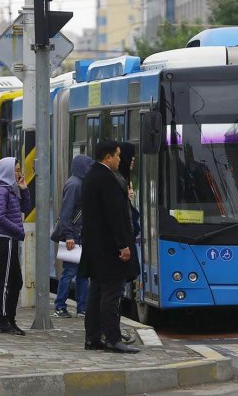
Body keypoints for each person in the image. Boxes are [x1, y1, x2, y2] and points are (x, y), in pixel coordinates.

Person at [79, 140, 140, 354]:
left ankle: (93, 338)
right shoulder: (106, 179)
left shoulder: (92, 176)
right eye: (118, 155)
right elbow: (115, 217)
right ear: (108, 157)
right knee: (112, 295)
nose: (120, 159)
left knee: (96, 295)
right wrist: (123, 245)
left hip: (95, 250)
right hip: (109, 251)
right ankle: (113, 338)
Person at [0, 157, 31, 335]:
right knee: (6, 281)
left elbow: (27, 207)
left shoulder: (13, 190)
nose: (18, 173)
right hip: (6, 239)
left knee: (17, 281)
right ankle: (2, 321)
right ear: (7, 171)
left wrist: (24, 189)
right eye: (15, 170)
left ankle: (11, 319)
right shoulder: (2, 191)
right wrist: (17, 230)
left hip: (13, 239)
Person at [53, 154, 93, 319]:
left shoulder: (79, 183)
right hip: (73, 236)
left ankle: (82, 307)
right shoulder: (75, 185)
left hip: (80, 235)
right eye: (88, 166)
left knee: (82, 272)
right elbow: (66, 213)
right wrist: (69, 235)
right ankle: (60, 306)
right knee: (69, 272)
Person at [115, 142, 141, 344]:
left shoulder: (123, 181)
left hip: (124, 244)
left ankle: (113, 331)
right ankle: (112, 333)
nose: (133, 162)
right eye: (129, 158)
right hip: (118, 249)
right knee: (112, 294)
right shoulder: (117, 182)